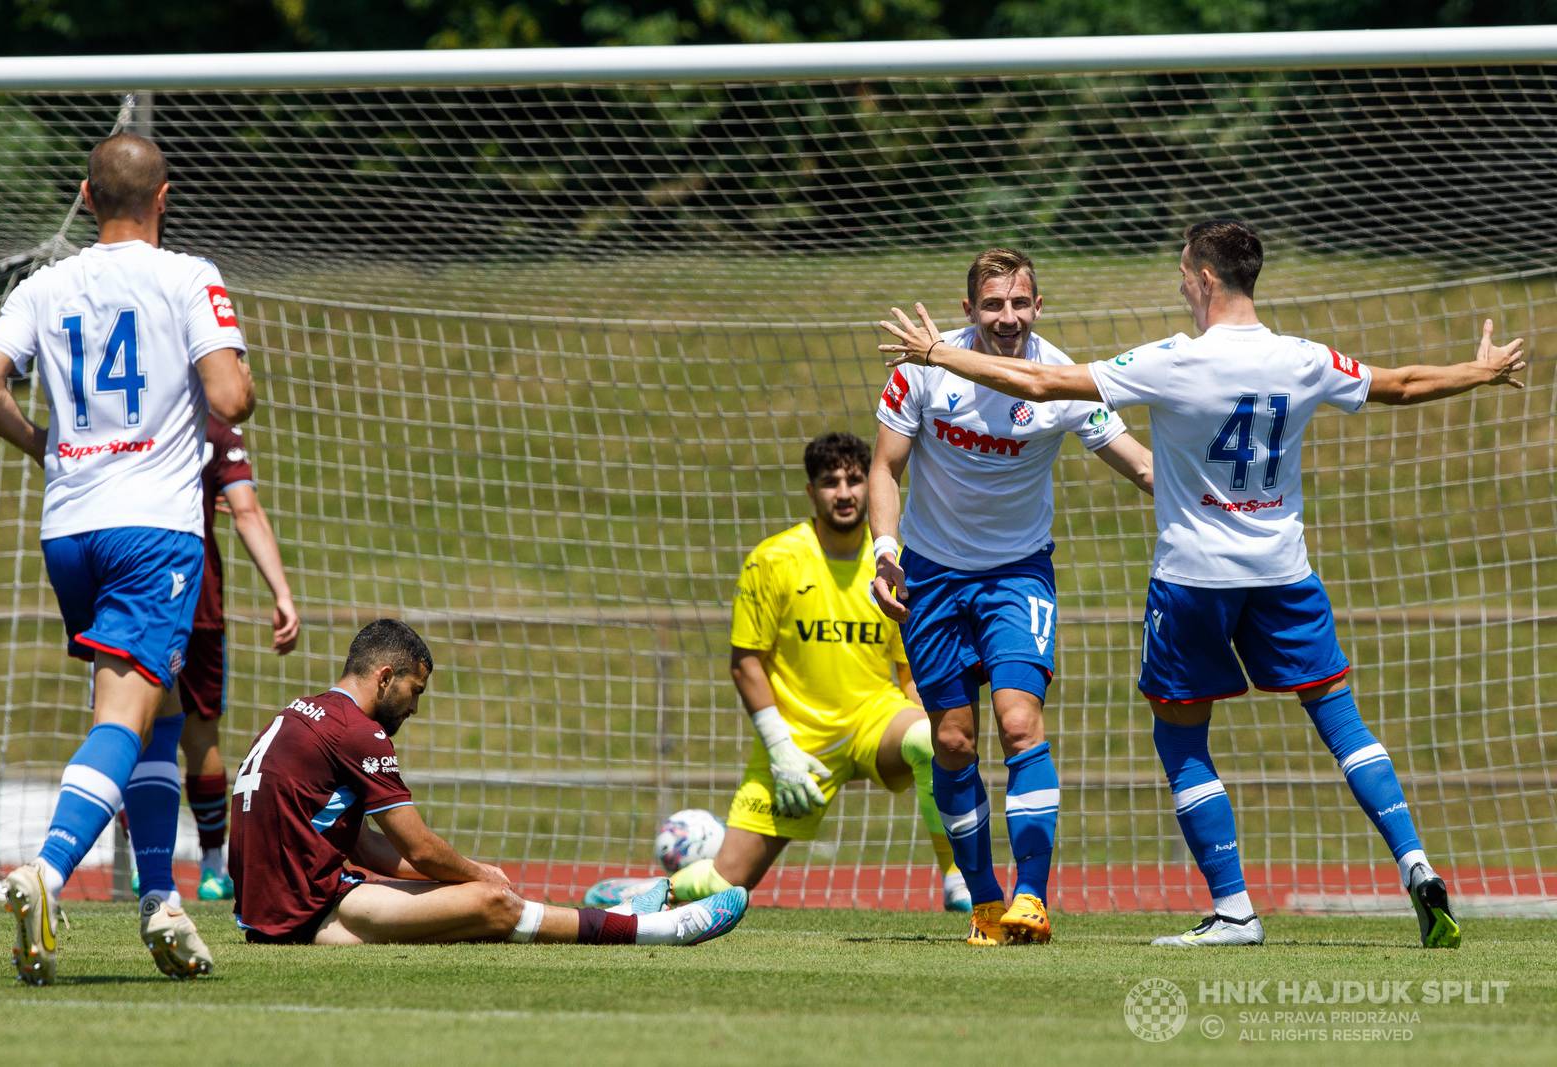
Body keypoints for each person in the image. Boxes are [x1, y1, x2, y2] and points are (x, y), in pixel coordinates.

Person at [877, 218, 1529, 948]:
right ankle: (1415, 862)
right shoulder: (1304, 357)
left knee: (1181, 736)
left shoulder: (1171, 361)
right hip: (1284, 571)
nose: (1182, 282)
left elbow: (1039, 380)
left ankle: (1234, 909)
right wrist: (1478, 371)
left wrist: (938, 353)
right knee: (1339, 718)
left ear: (1207, 279)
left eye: (1185, 271)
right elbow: (1403, 384)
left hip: (1193, 578)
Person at [0, 131, 255, 983]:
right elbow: (231, 396)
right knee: (125, 717)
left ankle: (160, 898)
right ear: (165, 197)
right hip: (153, 528)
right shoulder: (189, 274)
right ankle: (46, 873)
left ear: (87, 198)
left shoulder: (44, 284)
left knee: (157, 711)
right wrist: (228, 380)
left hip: (70, 529)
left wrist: (45, 443)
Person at [867, 249, 1155, 946]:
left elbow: (1139, 461)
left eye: (1020, 303)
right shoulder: (922, 371)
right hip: (932, 577)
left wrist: (1214, 497)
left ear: (1038, 306)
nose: (1008, 317)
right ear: (969, 310)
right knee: (953, 741)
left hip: (1018, 576)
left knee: (1019, 723)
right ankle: (987, 902)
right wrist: (883, 550)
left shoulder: (1058, 379)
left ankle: (1033, 895)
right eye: (993, 304)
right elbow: (884, 466)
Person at [589, 432, 973, 913]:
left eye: (855, 480)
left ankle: (960, 880)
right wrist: (780, 749)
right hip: (797, 740)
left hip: (874, 722)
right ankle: (639, 892)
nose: (845, 492)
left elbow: (907, 670)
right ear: (812, 492)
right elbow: (745, 661)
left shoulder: (893, 564)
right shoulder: (774, 559)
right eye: (831, 482)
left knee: (927, 737)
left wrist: (934, 725)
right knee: (726, 887)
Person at [228, 619, 749, 947]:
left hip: (268, 914)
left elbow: (360, 842)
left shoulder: (303, 715)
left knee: (467, 899)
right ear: (386, 677)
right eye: (415, 690)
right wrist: (480, 875)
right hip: (306, 914)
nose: (413, 706)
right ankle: (657, 930)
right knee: (491, 905)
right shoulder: (358, 731)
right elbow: (421, 848)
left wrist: (464, 879)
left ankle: (610, 913)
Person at [175, 414, 300, 901]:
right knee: (200, 733)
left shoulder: (122, 412)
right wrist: (282, 593)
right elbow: (246, 511)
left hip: (124, 590)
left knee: (135, 729)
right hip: (195, 595)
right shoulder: (214, 427)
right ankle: (211, 866)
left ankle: (148, 861)